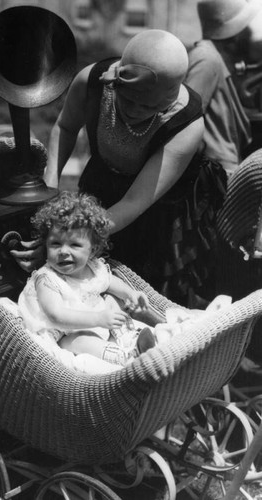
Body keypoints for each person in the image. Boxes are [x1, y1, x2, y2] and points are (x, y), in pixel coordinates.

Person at [18, 28, 226, 307]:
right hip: (102, 184)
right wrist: (49, 195)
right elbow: (65, 128)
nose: (134, 110)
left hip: (158, 210)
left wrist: (65, 236)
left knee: (139, 295)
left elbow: (135, 201)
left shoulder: (188, 125)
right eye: (127, 99)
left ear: (169, 100)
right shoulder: (90, 81)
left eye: (148, 106)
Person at [18, 191, 156, 367]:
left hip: (93, 320)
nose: (63, 251)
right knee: (81, 340)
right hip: (62, 334)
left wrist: (130, 293)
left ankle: (128, 337)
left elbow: (109, 282)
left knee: (113, 299)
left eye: (74, 245)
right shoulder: (47, 279)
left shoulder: (92, 267)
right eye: (55, 244)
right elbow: (56, 316)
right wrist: (98, 319)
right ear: (46, 245)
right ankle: (124, 357)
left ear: (92, 250)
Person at [185, 0, 262, 177]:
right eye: (243, 25)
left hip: (219, 166)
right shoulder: (207, 59)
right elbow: (187, 117)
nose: (247, 31)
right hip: (215, 170)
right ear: (233, 29)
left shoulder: (212, 56)